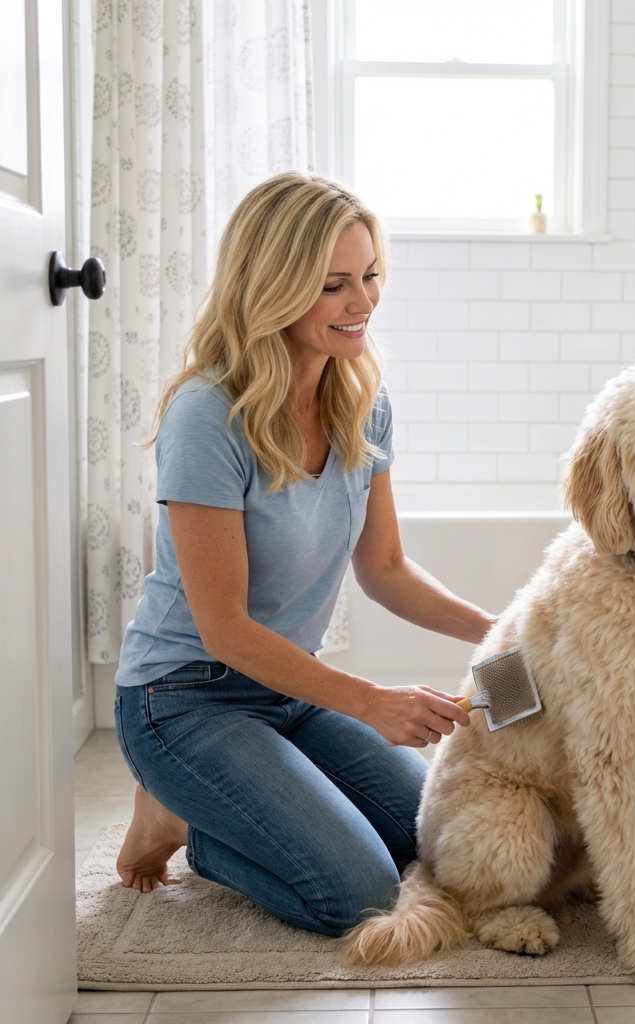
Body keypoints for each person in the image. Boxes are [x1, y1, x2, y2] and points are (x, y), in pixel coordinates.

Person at [112, 171, 494, 937]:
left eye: (371, 276)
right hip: (184, 700)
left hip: (289, 692)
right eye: (334, 285)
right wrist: (370, 702)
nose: (364, 303)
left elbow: (383, 567)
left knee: (434, 842)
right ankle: (180, 822)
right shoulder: (208, 415)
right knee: (356, 891)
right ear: (275, 287)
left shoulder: (362, 398)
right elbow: (222, 628)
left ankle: (242, 794)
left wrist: (506, 633)